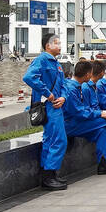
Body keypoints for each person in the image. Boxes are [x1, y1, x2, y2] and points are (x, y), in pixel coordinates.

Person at [22, 32, 69, 191]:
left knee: (50, 140)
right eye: (56, 43)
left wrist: (63, 97)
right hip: (49, 107)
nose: (59, 45)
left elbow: (63, 84)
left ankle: (49, 175)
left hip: (57, 105)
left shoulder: (56, 63)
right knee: (59, 140)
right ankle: (49, 175)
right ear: (47, 45)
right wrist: (48, 94)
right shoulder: (42, 60)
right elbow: (29, 77)